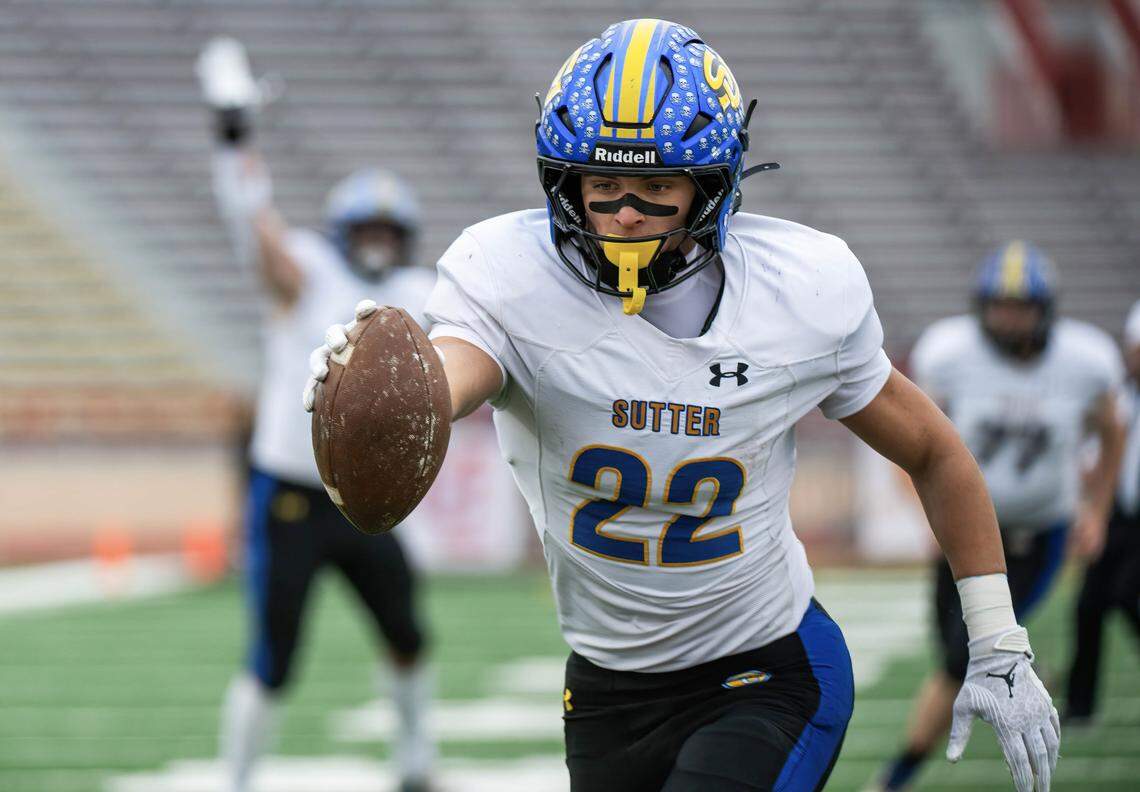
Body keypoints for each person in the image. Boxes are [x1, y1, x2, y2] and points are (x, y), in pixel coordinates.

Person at [306, 19, 1060, 791]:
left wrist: (997, 639)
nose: (626, 213)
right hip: (606, 688)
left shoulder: (800, 290)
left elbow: (934, 451)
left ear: (714, 183)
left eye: (656, 186)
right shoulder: (509, 275)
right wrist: (393, 391)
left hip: (769, 668)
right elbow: (455, 374)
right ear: (565, 183)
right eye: (602, 186)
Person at [197, 37, 436, 792]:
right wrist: (235, 140)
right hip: (291, 496)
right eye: (364, 230)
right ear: (342, 231)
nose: (374, 246)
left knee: (407, 634)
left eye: (385, 234)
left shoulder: (421, 288)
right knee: (274, 659)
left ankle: (414, 765)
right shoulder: (307, 271)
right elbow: (254, 226)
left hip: (370, 502)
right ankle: (234, 780)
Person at [874, 242, 1125, 791]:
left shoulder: (1085, 359)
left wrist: (1098, 509)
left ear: (1046, 309)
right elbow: (911, 438)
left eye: (1022, 307)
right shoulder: (950, 352)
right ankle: (1022, 672)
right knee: (954, 650)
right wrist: (928, 517)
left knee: (962, 658)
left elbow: (1112, 429)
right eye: (1000, 306)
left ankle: (897, 775)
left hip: (1041, 533)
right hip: (961, 533)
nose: (1009, 319)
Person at [1063, 299, 1140, 724]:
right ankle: (1080, 703)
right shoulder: (1119, 398)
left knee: (1126, 595)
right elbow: (1096, 460)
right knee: (1088, 605)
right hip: (1117, 517)